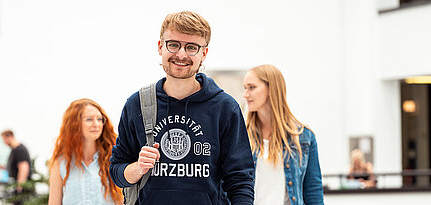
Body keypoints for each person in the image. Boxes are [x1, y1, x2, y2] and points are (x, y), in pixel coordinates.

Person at [109, 11, 255, 205]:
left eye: (192, 47)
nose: (181, 54)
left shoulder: (225, 108)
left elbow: (240, 181)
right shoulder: (137, 105)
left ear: (204, 53)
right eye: (174, 44)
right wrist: (138, 168)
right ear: (161, 46)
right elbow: (117, 172)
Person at [243, 64, 324, 205]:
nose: (245, 94)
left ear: (271, 89)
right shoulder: (241, 136)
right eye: (245, 88)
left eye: (252, 87)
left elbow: (313, 191)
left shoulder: (304, 137)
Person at [48, 98, 123, 204]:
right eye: (89, 119)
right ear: (74, 124)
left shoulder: (113, 159)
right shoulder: (61, 163)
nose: (96, 124)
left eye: (100, 119)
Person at [0, 129, 32, 200]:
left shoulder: (19, 149)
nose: (4, 142)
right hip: (16, 186)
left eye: (4, 139)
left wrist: (20, 186)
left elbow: (24, 168)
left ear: (10, 136)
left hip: (22, 189)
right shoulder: (14, 150)